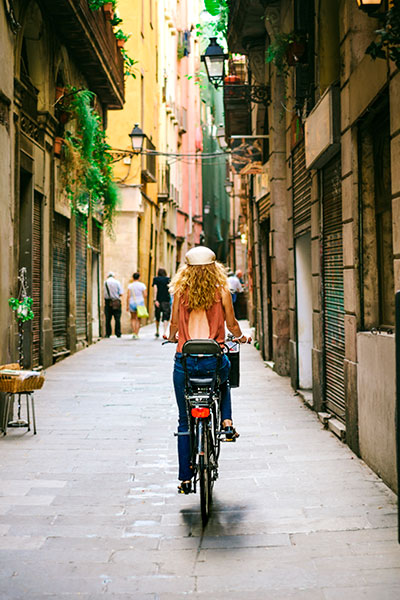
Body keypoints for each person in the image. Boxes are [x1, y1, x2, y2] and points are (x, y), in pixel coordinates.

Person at [167, 246, 251, 494]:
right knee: (224, 379)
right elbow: (233, 323)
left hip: (186, 359)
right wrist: (240, 337)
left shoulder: (180, 292)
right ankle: (226, 421)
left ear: (187, 270)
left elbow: (173, 324)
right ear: (215, 269)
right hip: (213, 359)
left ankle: (184, 478)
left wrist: (171, 336)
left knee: (184, 421)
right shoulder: (222, 290)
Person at [126, 272, 147, 339]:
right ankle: (137, 333)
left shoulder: (130, 286)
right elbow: (145, 294)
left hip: (132, 302)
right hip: (140, 302)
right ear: (139, 277)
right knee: (138, 319)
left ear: (133, 278)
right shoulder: (142, 285)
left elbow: (128, 296)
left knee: (132, 318)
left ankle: (134, 332)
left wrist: (127, 305)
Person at [152, 268, 171, 339]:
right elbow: (170, 290)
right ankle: (165, 332)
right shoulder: (168, 279)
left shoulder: (156, 279)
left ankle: (157, 331)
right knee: (166, 316)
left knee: (157, 316)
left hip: (159, 300)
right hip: (166, 300)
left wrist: (155, 299)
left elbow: (155, 289)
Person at [104, 272, 123, 338]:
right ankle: (118, 333)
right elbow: (121, 293)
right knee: (117, 319)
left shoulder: (105, 283)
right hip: (116, 302)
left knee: (108, 319)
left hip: (107, 302)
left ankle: (108, 333)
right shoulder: (117, 282)